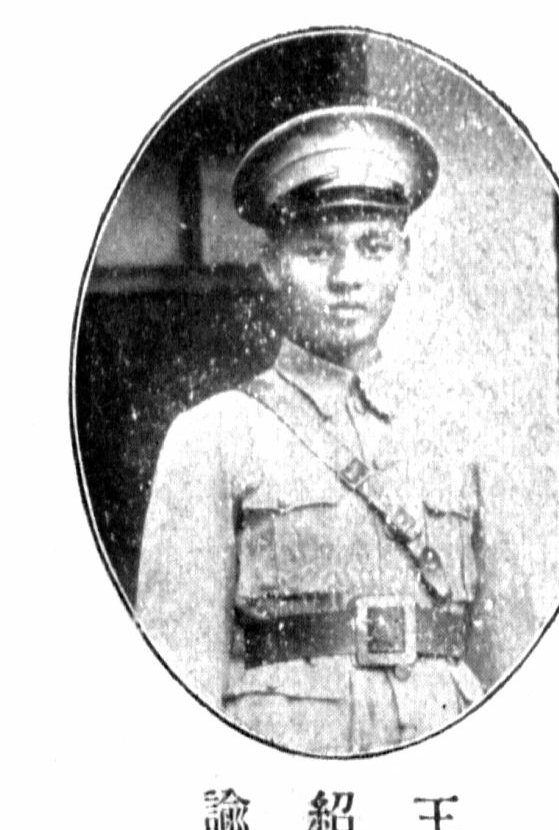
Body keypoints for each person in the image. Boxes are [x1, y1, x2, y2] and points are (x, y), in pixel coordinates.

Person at [136, 105, 485, 755]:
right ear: (271, 263)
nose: (346, 276)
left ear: (403, 259)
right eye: (316, 249)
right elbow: (178, 690)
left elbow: (511, 668)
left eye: (373, 247)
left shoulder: (458, 439)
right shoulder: (213, 437)